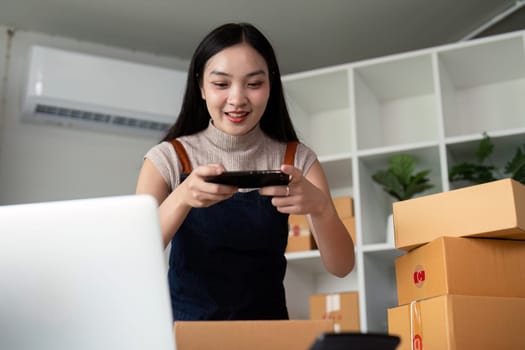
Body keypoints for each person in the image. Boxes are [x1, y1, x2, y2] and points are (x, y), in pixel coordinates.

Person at [136, 22, 355, 321]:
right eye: (221, 84)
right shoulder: (169, 158)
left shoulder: (297, 158)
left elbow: (342, 266)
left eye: (253, 84)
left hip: (269, 335)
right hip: (189, 336)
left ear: (271, 86)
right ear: (201, 86)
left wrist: (321, 208)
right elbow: (135, 255)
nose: (237, 99)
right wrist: (183, 196)